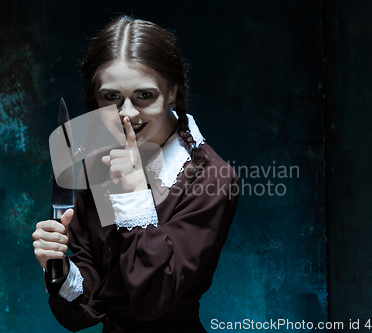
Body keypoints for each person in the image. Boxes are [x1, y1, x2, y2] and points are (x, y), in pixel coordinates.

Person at [32, 15, 239, 333]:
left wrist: (133, 196)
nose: (126, 113)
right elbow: (89, 306)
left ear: (172, 91)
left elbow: (152, 300)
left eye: (145, 95)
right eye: (112, 97)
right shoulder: (97, 161)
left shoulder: (213, 178)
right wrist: (58, 267)